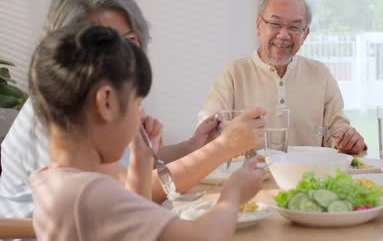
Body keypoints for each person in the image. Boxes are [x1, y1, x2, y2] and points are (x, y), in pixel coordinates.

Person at [0, 0, 263, 219]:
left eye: (130, 40)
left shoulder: (103, 98)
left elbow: (129, 170)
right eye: (102, 42)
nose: (121, 54)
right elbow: (126, 203)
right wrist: (222, 153)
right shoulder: (57, 111)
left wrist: (193, 146)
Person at [29, 23, 264, 240]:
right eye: (137, 103)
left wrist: (142, 162)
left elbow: (136, 226)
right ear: (106, 102)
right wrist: (233, 196)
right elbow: (202, 236)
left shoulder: (50, 180)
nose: (140, 116)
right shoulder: (91, 195)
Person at [198, 0, 366, 154]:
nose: (283, 35)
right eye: (275, 24)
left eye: (294, 27)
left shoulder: (320, 74)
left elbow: (335, 132)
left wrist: (346, 139)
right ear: (258, 26)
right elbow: (206, 135)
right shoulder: (233, 73)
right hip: (251, 178)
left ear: (305, 34)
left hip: (308, 178)